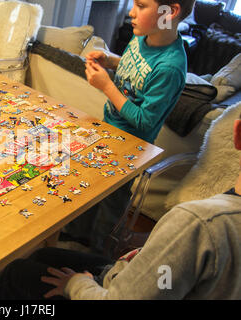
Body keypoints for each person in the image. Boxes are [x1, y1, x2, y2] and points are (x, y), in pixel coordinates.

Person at [0, 113, 241, 300]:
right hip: (124, 275)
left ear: (237, 134)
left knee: (16, 272)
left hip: (106, 289)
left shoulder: (197, 223)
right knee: (43, 256)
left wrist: (76, 285)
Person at [62, 0, 195, 254]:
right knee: (86, 189)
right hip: (107, 131)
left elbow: (145, 120)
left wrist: (107, 86)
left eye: (141, 6)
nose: (131, 12)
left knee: (109, 206)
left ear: (170, 12)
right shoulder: (143, 36)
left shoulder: (171, 67)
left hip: (129, 149)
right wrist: (110, 61)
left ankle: (95, 258)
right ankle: (72, 240)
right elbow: (136, 68)